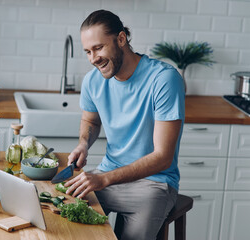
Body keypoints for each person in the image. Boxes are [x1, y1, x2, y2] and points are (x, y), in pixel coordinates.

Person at [64, 9, 185, 240]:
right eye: (88, 52)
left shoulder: (164, 79)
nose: (93, 59)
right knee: (67, 219)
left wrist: (103, 179)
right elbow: (91, 119)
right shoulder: (93, 80)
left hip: (154, 184)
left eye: (98, 48)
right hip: (108, 174)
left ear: (121, 39)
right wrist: (83, 144)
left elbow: (162, 157)